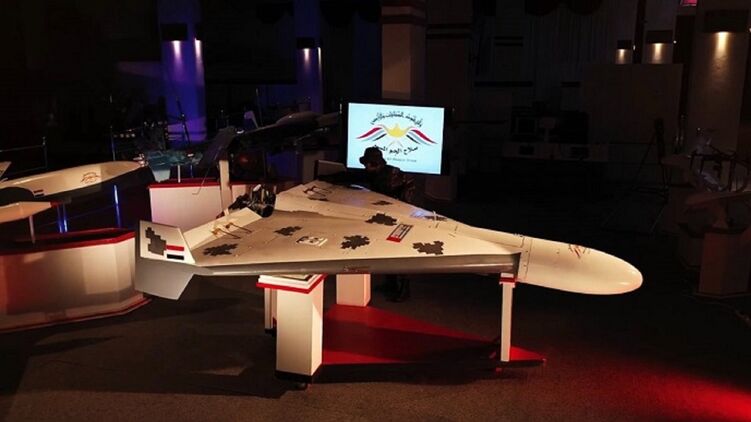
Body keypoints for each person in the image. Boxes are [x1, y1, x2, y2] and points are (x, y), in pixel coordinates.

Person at [358, 147, 415, 302]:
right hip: (393, 214)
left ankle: (404, 289)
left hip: (402, 215)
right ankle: (391, 284)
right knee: (388, 249)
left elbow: (388, 196)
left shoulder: (389, 176)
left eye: (369, 164)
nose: (366, 167)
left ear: (375, 164)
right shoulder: (379, 173)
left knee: (399, 251)